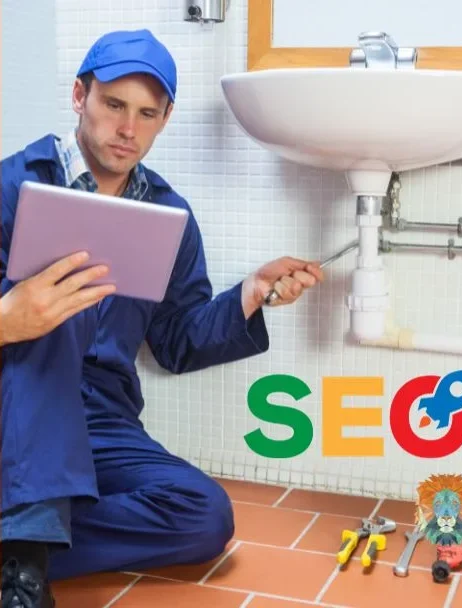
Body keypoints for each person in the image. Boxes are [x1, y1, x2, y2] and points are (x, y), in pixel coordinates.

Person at [0, 29, 324, 608]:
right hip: (14, 411)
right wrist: (7, 319)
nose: (128, 129)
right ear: (80, 96)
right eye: (114, 105)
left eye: (148, 113)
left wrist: (249, 294)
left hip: (101, 421)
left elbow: (176, 341)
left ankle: (24, 540)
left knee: (203, 517)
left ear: (165, 117)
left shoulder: (167, 215)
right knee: (63, 305)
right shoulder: (11, 185)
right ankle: (22, 569)